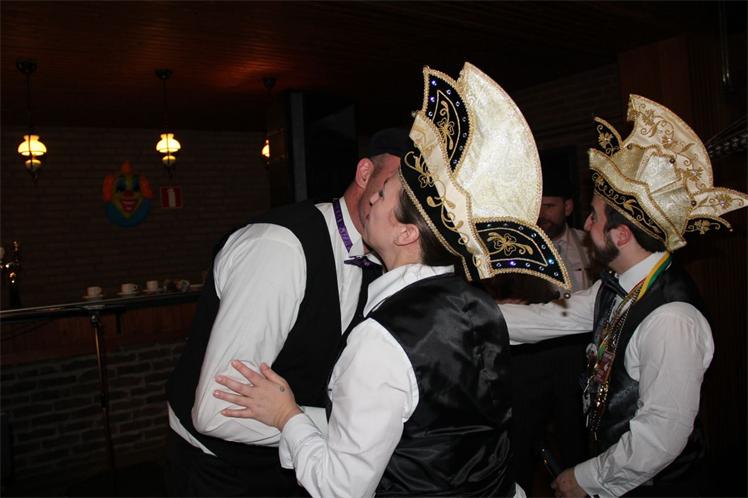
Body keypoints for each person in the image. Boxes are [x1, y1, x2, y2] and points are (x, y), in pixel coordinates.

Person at [211, 62, 572, 498]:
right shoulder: (479, 306)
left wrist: (287, 416)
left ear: (405, 234)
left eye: (382, 196)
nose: (370, 200)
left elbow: (339, 487)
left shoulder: (381, 340)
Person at [501, 95, 748, 497]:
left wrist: (585, 478)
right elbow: (552, 318)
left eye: (594, 217)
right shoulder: (616, 286)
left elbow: (660, 438)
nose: (586, 224)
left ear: (621, 235)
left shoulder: (672, 320)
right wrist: (464, 314)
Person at [164, 128, 408, 496]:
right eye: (395, 186)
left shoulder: (383, 260)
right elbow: (216, 412)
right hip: (219, 471)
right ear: (364, 174)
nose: (405, 205)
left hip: (296, 463)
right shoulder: (280, 248)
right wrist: (356, 427)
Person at [497, 157, 595, 490]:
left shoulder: (590, 245)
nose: (541, 214)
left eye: (550, 206)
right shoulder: (516, 249)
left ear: (567, 207)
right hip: (529, 357)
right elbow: (495, 290)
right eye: (536, 207)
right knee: (521, 435)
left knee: (575, 432)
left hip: (576, 355)